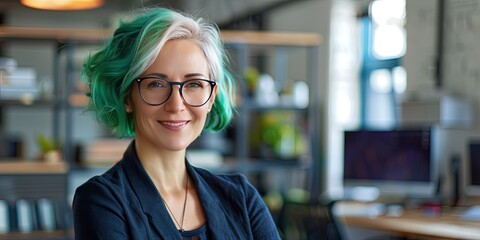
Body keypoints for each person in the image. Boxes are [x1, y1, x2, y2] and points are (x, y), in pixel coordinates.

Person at [72, 7, 280, 240]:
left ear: (211, 98)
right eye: (156, 84)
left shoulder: (241, 197)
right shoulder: (102, 200)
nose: (176, 105)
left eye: (194, 84)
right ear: (127, 97)